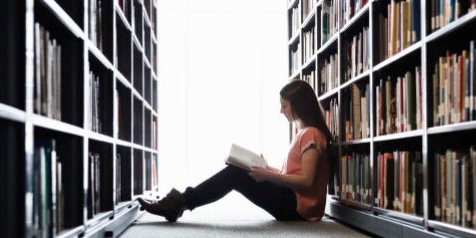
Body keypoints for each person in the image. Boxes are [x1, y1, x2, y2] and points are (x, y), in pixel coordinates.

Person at [137, 79, 333, 222]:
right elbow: (291, 175)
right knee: (237, 169)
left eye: (284, 106)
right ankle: (180, 202)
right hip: (292, 201)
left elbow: (306, 181)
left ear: (298, 106)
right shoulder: (303, 132)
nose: (281, 111)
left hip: (298, 208)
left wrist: (266, 175)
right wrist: (265, 168)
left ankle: (178, 203)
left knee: (234, 174)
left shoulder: (312, 134)